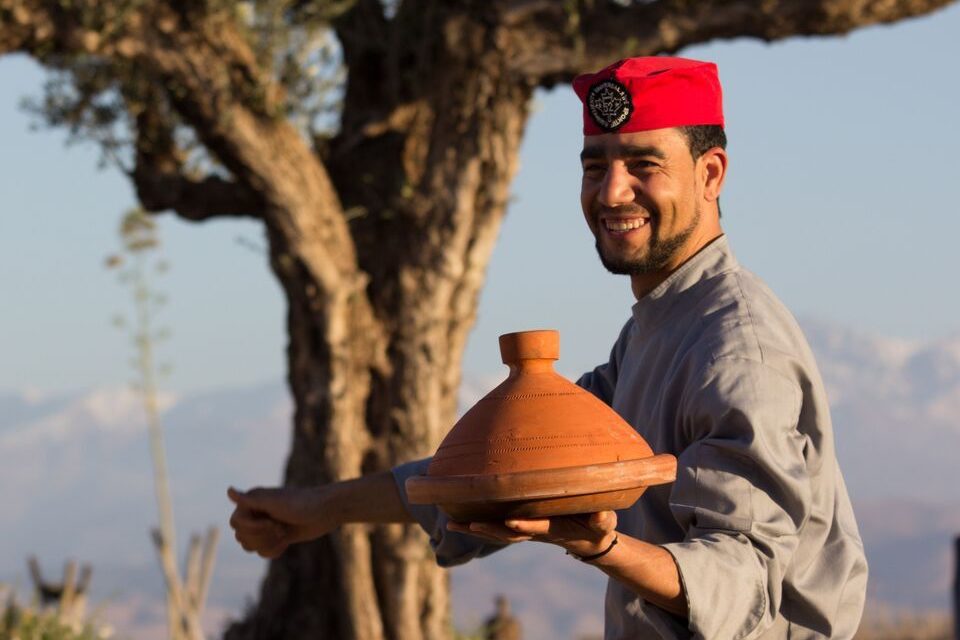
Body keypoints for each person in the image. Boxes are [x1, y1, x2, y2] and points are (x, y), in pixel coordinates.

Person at [228, 56, 868, 639]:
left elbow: (741, 581)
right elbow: (496, 473)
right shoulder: (658, 328)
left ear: (710, 174)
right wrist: (317, 509)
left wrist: (597, 546)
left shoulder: (736, 350)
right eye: (596, 166)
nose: (612, 192)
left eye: (644, 165)